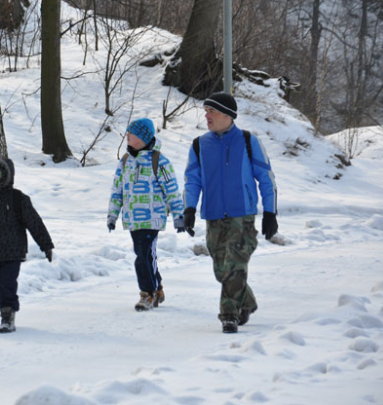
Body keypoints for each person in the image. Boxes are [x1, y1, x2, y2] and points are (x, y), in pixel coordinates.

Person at [182, 92, 278, 334]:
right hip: (213, 216)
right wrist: (190, 209)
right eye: (206, 111)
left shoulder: (248, 141)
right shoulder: (199, 144)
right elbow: (192, 181)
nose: (206, 116)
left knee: (235, 265)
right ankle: (247, 301)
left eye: (211, 111)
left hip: (241, 216)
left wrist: (270, 213)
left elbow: (266, 179)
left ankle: (229, 316)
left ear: (227, 115)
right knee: (222, 271)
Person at [0, 155, 54, 333]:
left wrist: (46, 245)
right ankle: (5, 308)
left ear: (1, 177)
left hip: (13, 251)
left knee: (7, 283)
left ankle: (7, 315)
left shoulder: (18, 198)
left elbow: (34, 222)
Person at [107, 118, 186, 312]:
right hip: (132, 218)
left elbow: (172, 190)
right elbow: (117, 190)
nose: (127, 136)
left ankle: (147, 294)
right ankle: (157, 289)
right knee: (145, 255)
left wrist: (178, 214)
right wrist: (112, 215)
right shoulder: (125, 161)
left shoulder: (159, 161)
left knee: (143, 255)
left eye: (130, 133)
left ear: (142, 137)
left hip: (152, 217)